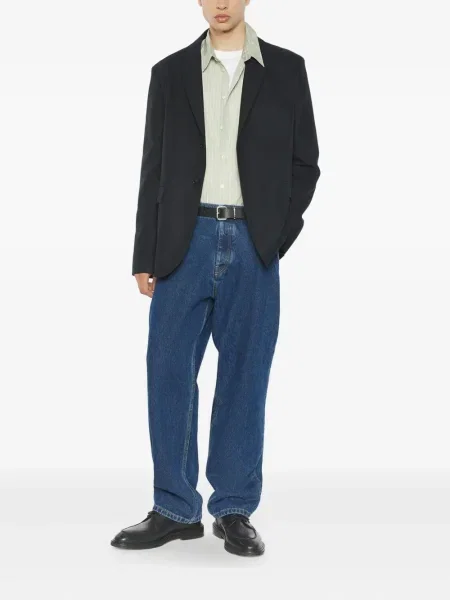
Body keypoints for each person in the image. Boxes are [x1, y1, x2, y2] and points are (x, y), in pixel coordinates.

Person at [111, 0, 320, 557]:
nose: (220, 3)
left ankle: (233, 508)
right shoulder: (169, 73)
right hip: (184, 241)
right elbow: (153, 167)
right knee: (168, 371)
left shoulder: (287, 69)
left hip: (254, 242)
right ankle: (175, 508)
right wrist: (144, 252)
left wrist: (273, 236)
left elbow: (306, 164)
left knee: (245, 377)